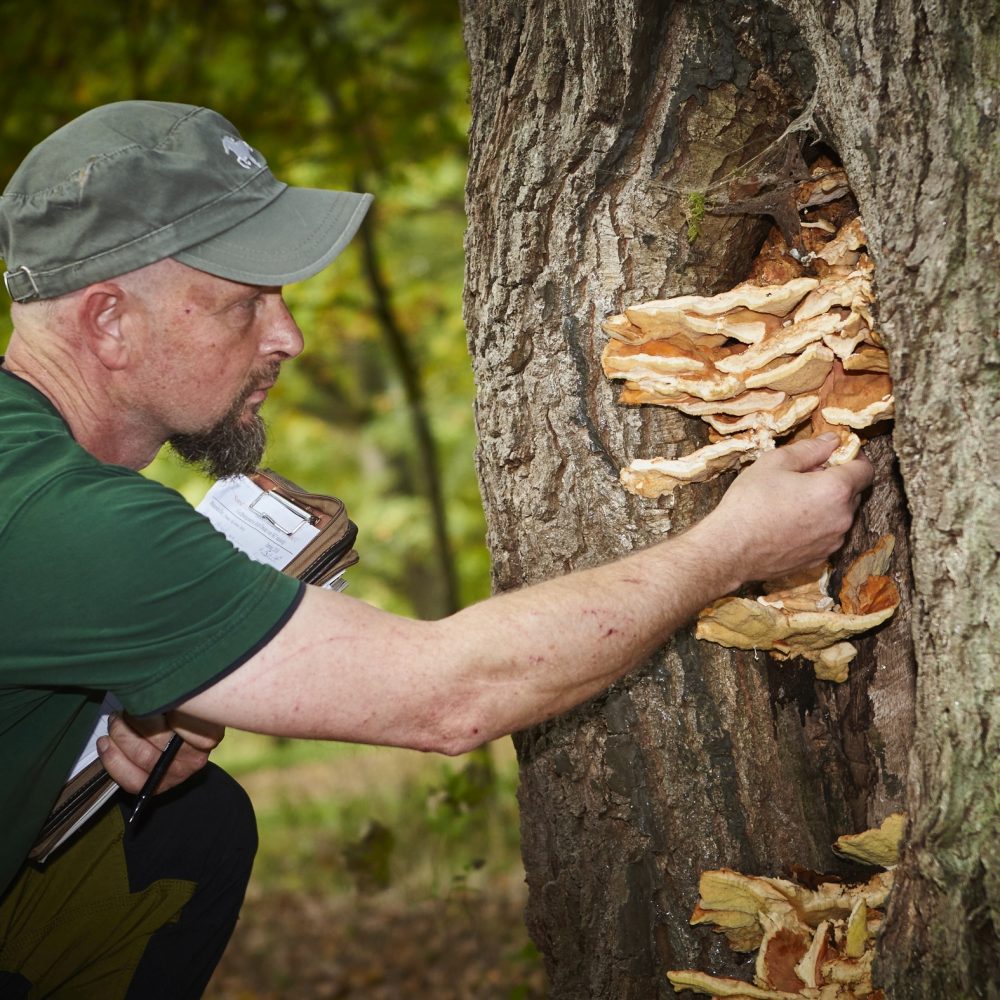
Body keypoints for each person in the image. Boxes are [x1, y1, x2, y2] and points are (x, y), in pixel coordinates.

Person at [0, 101, 873, 998]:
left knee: (189, 827)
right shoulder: (60, 520)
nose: (288, 337)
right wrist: (733, 546)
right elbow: (449, 697)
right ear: (107, 323)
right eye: (243, 303)